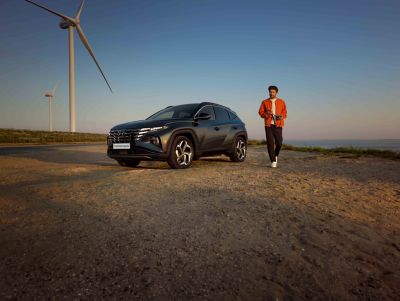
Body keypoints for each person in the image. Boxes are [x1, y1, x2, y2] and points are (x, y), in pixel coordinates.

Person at [258, 85, 287, 168]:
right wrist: (267, 114)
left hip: (278, 124)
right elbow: (260, 112)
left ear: (276, 93)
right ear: (269, 92)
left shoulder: (281, 101)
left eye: (273, 92)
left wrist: (282, 116)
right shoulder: (264, 102)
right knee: (270, 143)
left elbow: (285, 112)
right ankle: (273, 161)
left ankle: (275, 155)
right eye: (270, 92)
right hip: (268, 125)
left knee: (279, 143)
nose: (271, 93)